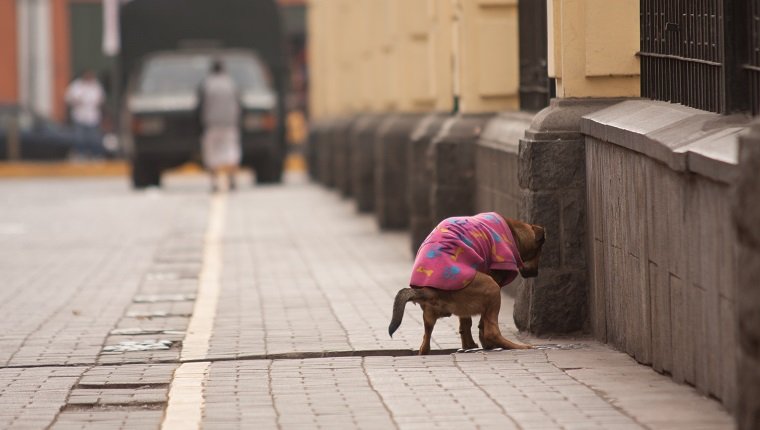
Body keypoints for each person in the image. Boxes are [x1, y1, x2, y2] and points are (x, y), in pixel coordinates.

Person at [199, 59, 241, 192]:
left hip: (212, 124)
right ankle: (232, 178)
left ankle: (214, 182)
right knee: (231, 151)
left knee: (212, 154)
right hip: (230, 123)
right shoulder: (231, 83)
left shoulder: (207, 84)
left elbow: (201, 105)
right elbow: (239, 103)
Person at [65, 70, 105, 158]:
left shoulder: (96, 86)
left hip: (92, 117)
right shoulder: (76, 86)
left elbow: (101, 100)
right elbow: (68, 98)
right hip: (79, 116)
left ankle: (96, 155)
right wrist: (76, 101)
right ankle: (80, 154)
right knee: (79, 138)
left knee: (94, 138)